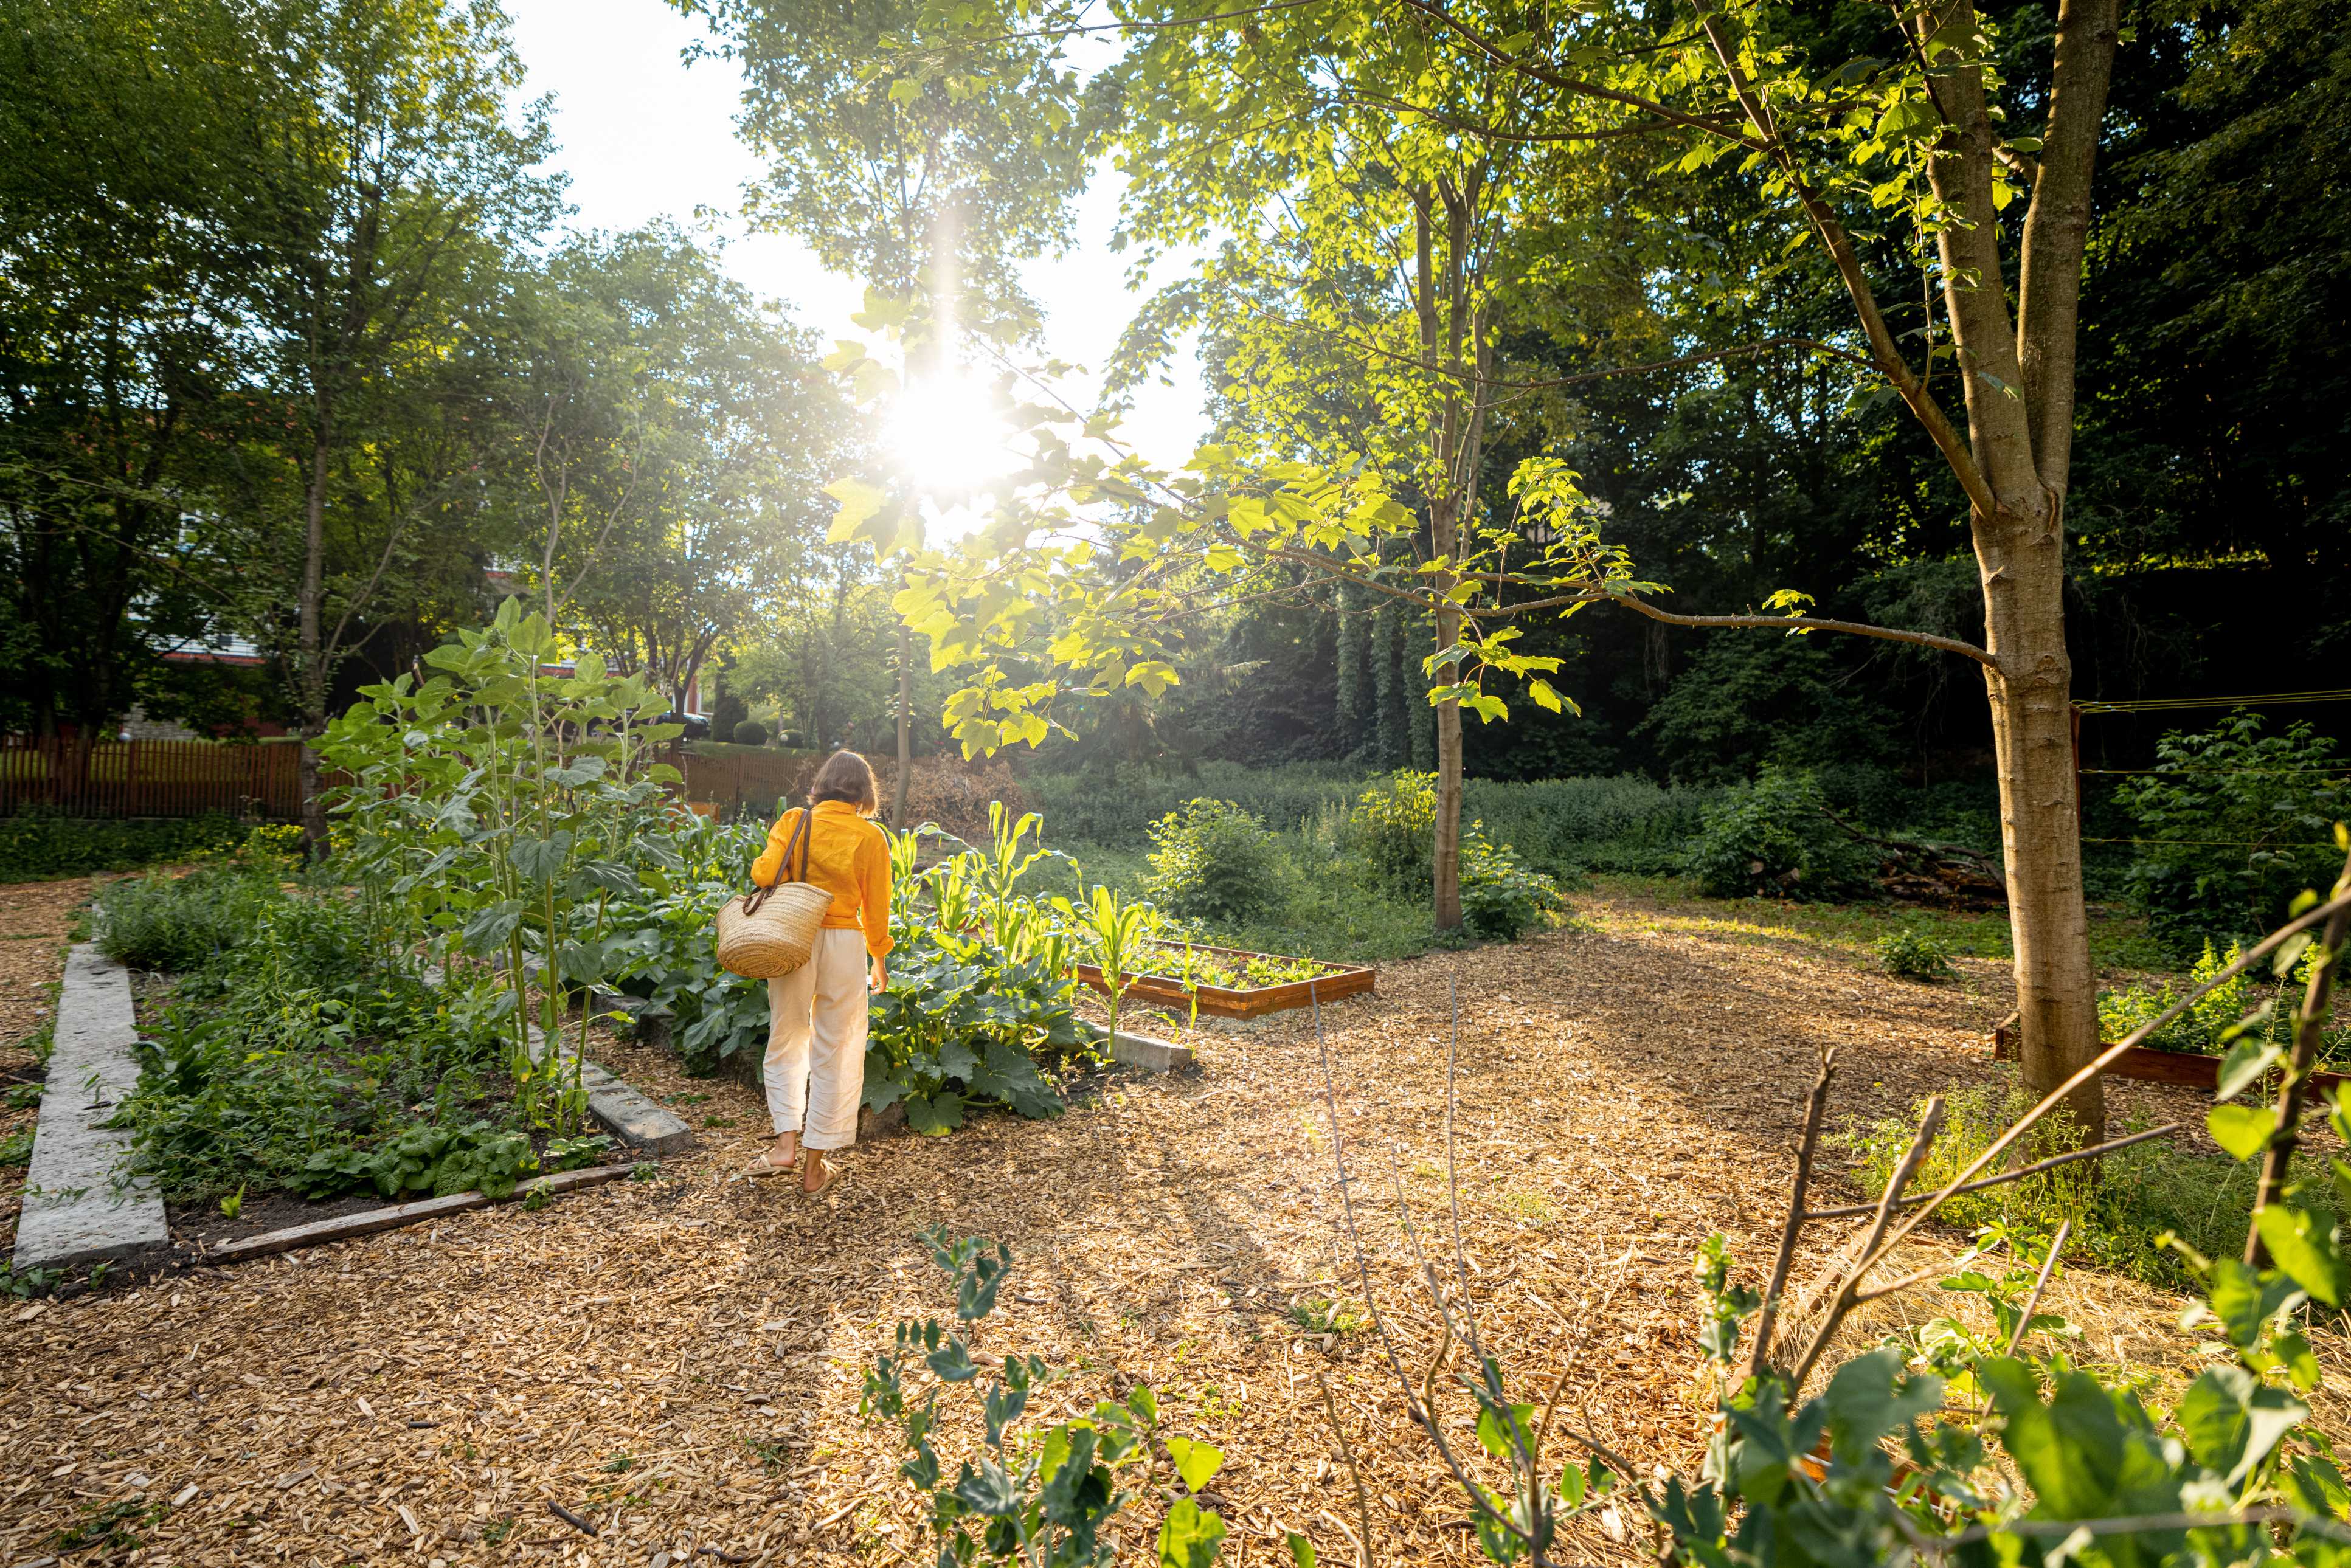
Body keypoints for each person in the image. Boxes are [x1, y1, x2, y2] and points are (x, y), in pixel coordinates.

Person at [742, 749, 893, 1196]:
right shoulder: (871, 837)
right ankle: (814, 1167)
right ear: (865, 792)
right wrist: (879, 957)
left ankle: (784, 1145)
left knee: (787, 1035)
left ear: (822, 783)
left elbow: (765, 872)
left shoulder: (795, 821)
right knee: (839, 1048)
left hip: (795, 937)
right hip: (845, 944)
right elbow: (877, 907)